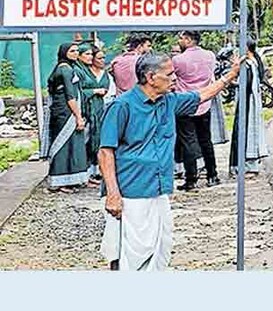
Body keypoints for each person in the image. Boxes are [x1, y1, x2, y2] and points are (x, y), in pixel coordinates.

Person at [98, 51, 241, 271]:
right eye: (169, 74)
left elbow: (202, 95)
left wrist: (229, 76)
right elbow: (106, 152)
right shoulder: (122, 106)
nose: (174, 78)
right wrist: (113, 194)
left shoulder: (169, 102)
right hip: (131, 192)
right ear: (150, 77)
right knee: (132, 255)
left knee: (161, 248)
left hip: (159, 188)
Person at [172, 31, 221, 188]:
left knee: (188, 141)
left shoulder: (178, 60)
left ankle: (191, 179)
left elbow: (172, 77)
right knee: (206, 139)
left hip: (185, 104)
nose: (179, 41)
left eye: (181, 38)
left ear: (188, 40)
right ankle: (212, 175)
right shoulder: (210, 56)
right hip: (204, 101)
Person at [46, 42, 89, 192]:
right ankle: (59, 180)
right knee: (62, 144)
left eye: (77, 51)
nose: (76, 53)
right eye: (72, 51)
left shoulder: (67, 68)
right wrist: (78, 116)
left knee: (72, 144)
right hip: (65, 112)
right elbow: (70, 95)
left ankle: (70, 178)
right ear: (64, 53)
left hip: (65, 110)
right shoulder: (65, 69)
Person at [229, 40, 270, 176]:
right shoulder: (256, 61)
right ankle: (250, 164)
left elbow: (245, 84)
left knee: (242, 131)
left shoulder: (247, 64)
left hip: (247, 102)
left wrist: (233, 81)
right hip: (254, 100)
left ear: (247, 48)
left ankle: (243, 165)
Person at [76, 44, 111, 184]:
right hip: (87, 109)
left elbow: (106, 89)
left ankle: (96, 170)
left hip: (99, 108)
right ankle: (85, 171)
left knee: (98, 139)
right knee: (86, 139)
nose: (102, 61)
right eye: (99, 58)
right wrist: (94, 91)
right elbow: (78, 92)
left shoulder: (105, 74)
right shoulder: (83, 71)